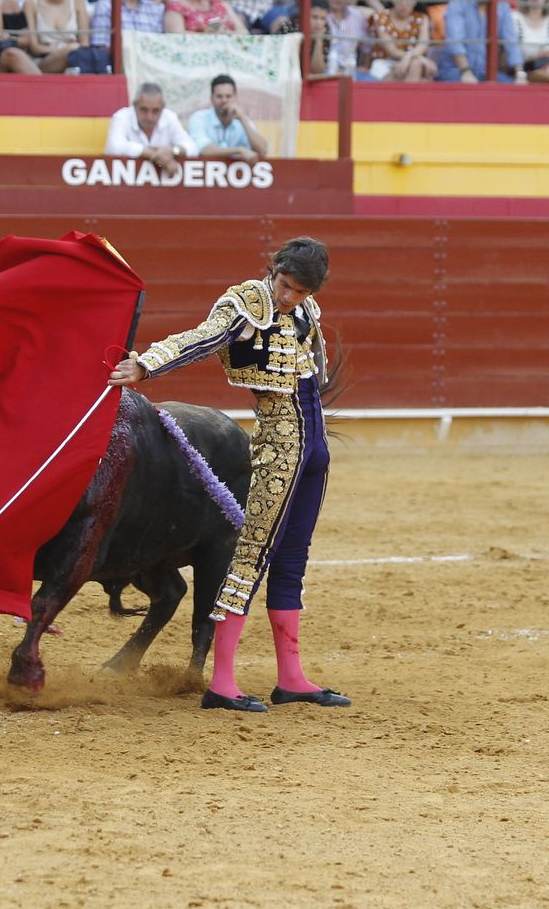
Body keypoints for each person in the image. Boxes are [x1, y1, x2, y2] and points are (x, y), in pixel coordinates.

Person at [108, 237, 348, 714]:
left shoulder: (307, 311)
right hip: (279, 447)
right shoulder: (246, 303)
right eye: (285, 285)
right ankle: (221, 682)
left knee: (292, 561)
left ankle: (292, 678)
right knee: (249, 559)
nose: (289, 298)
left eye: (300, 291)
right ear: (273, 270)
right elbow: (204, 336)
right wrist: (147, 365)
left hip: (313, 451)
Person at [440, 0, 521, 81]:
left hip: (487, 74)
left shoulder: (503, 8)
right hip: (455, 71)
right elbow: (455, 41)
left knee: (515, 90)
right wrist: (466, 72)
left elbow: (511, 43)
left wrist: (520, 74)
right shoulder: (458, 3)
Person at [105, 81, 198, 165]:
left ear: (163, 108)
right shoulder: (121, 117)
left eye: (156, 111)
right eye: (144, 110)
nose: (149, 117)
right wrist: (154, 155)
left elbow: (193, 148)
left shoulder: (170, 117)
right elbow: (114, 147)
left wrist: (173, 151)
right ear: (134, 105)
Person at [367, 0, 435, 80]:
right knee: (416, 65)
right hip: (384, 65)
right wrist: (415, 57)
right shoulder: (381, 17)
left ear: (415, 0)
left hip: (413, 61)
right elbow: (391, 50)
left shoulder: (422, 18)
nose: (404, 4)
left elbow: (423, 44)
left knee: (416, 65)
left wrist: (409, 57)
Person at [188, 73, 269, 159]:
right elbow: (204, 149)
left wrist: (243, 120)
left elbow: (262, 150)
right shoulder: (199, 118)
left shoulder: (242, 119)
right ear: (211, 98)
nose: (224, 100)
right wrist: (239, 150)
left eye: (228, 96)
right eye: (219, 96)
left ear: (235, 97)